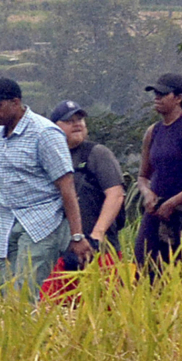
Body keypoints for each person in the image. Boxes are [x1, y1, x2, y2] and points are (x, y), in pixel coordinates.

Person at [0, 78, 93, 301]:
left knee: (26, 295)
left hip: (42, 222)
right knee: (7, 292)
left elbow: (67, 187)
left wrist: (77, 235)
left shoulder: (44, 133)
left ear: (15, 102)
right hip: (10, 221)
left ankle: (32, 335)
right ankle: (13, 336)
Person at [135, 73, 182, 273]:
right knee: (145, 263)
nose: (157, 98)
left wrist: (174, 202)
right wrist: (147, 194)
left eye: (163, 94)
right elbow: (143, 177)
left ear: (178, 98)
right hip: (156, 211)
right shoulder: (153, 132)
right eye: (156, 93)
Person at [50, 100, 125, 250]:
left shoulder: (97, 153)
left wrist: (97, 234)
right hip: (59, 248)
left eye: (80, 120)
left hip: (98, 247)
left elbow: (115, 194)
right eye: (69, 121)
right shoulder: (50, 157)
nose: (77, 124)